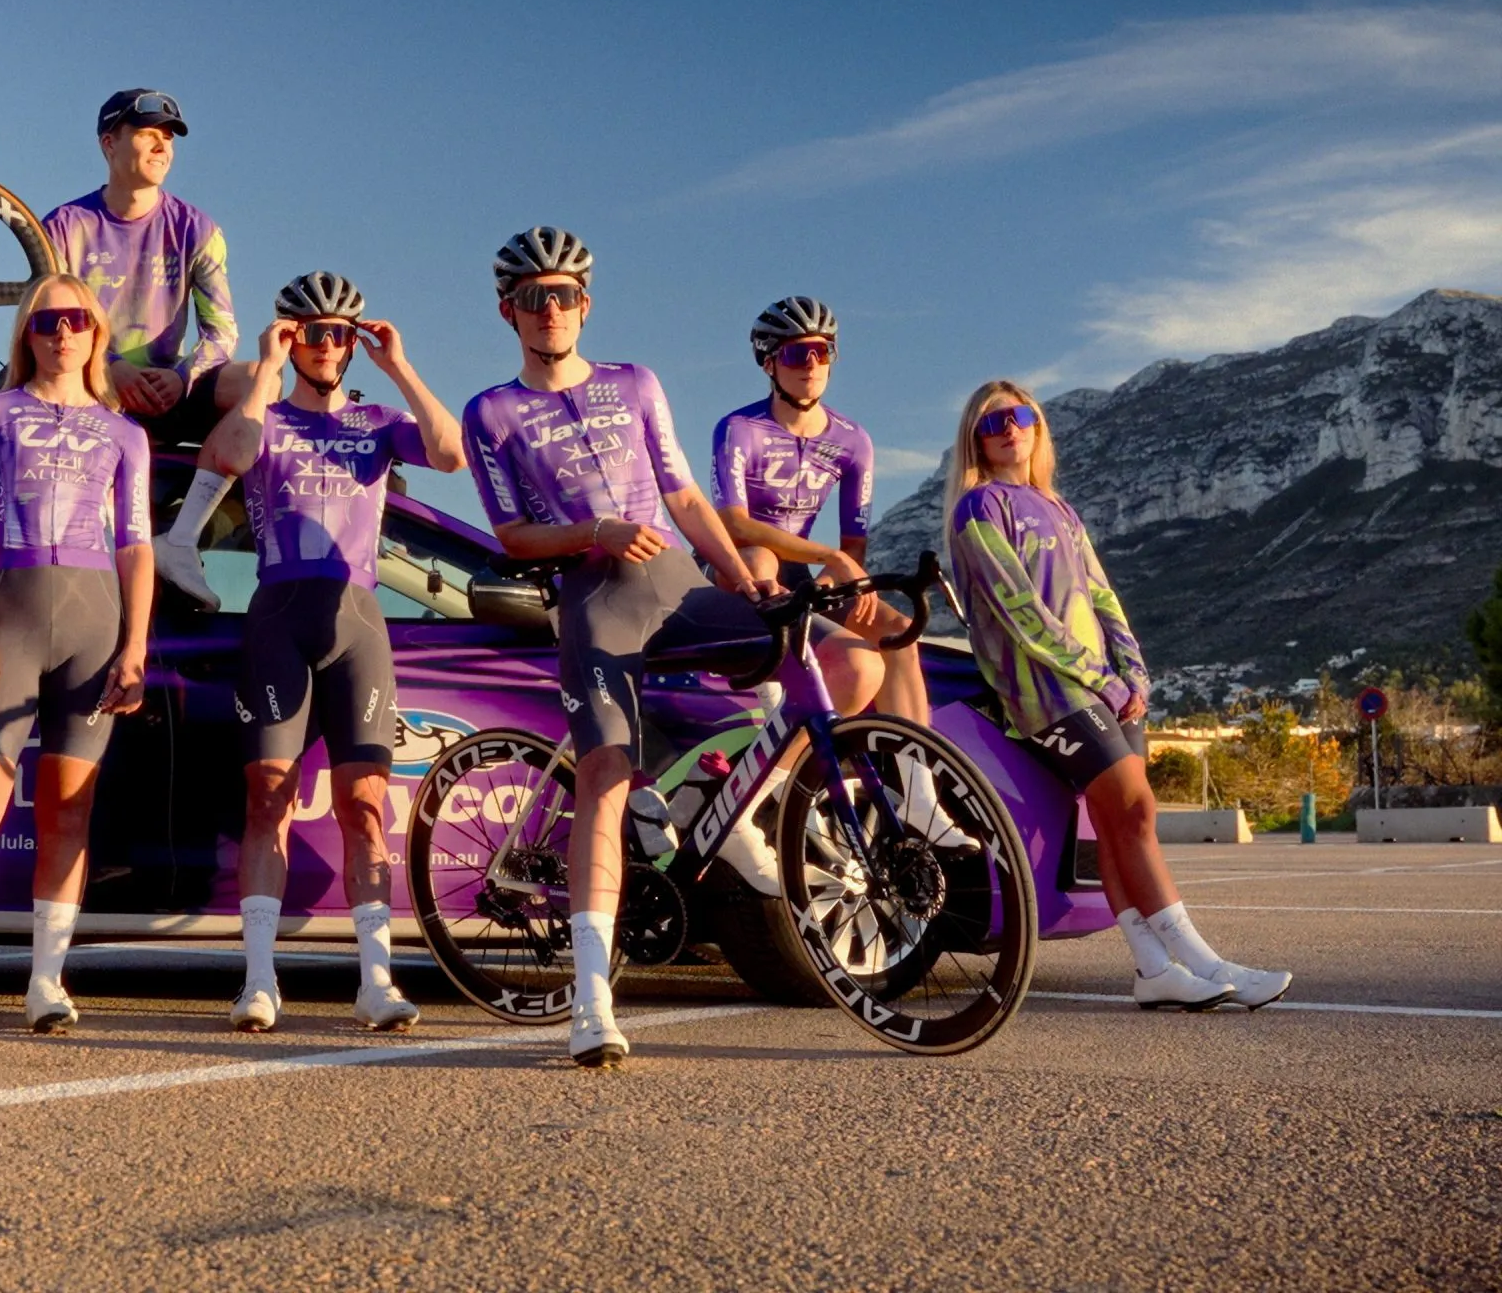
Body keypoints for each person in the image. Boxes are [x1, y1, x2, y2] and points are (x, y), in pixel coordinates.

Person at [463, 227, 887, 1069]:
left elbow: (685, 497)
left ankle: (738, 809)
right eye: (534, 298)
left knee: (851, 660)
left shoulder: (636, 383)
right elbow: (511, 534)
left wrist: (743, 578)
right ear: (509, 311)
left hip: (680, 587)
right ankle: (592, 1001)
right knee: (605, 777)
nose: (551, 310)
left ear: (585, 305)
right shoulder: (492, 411)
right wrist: (596, 532)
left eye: (565, 295)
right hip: (597, 601)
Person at [946, 381, 1290, 1010]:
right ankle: (1205, 961)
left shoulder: (1058, 507)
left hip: (1104, 686)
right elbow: (1019, 611)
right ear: (976, 438)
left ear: (1037, 426)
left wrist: (1134, 673)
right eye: (992, 422)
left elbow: (1101, 594)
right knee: (1135, 809)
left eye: (1019, 416)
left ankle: (1153, 969)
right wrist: (1098, 677)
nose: (1008, 428)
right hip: (1048, 691)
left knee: (1114, 822)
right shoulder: (979, 509)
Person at [207, 272, 467, 1034]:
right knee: (269, 799)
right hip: (278, 614)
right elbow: (228, 456)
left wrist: (399, 366)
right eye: (312, 333)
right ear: (292, 338)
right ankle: (259, 982)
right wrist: (265, 366)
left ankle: (376, 982)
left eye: (339, 333)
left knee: (364, 805)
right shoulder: (268, 416)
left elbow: (450, 454)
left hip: (357, 620)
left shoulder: (379, 421)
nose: (327, 345)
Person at [0, 273, 154, 1039]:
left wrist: (136, 644)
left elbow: (136, 545)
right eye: (46, 321)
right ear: (26, 335)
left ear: (95, 332)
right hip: (8, 618)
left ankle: (47, 982)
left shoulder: (124, 433)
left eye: (75, 319)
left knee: (68, 812)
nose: (61, 332)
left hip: (93, 623)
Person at [711, 297, 967, 847]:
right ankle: (775, 718)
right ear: (768, 362)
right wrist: (824, 558)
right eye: (796, 353)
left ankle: (920, 797)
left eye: (822, 351)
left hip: (804, 568)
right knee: (761, 558)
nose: (810, 363)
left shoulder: (852, 441)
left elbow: (854, 549)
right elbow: (732, 522)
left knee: (898, 633)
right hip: (735, 565)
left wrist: (828, 581)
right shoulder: (739, 428)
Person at [41, 89, 249, 611]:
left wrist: (182, 376)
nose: (162, 147)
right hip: (92, 390)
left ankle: (180, 540)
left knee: (255, 381)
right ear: (109, 143)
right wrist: (107, 367)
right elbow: (45, 322)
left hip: (168, 388)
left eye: (169, 138)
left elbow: (223, 331)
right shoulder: (64, 226)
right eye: (147, 134)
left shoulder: (198, 229)